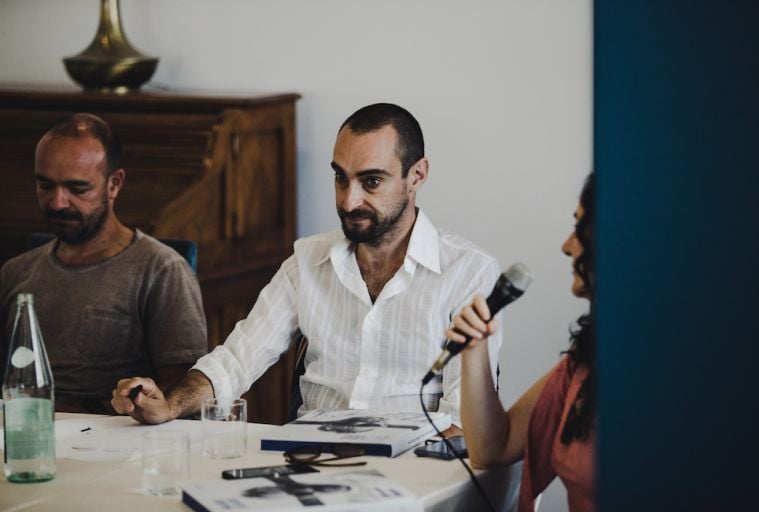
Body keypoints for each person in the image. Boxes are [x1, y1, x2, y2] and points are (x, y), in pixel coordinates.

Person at [112, 103, 502, 433]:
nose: (349, 201)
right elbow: (234, 362)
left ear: (416, 175)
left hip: (413, 475)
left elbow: (464, 421)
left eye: (371, 182)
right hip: (310, 465)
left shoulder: (468, 273)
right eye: (340, 178)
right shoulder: (307, 261)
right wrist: (171, 404)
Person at [0, 113, 208, 414]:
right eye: (45, 186)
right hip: (23, 431)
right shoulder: (15, 272)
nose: (57, 202)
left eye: (77, 189)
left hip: (115, 442)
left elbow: (180, 393)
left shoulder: (162, 270)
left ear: (114, 184)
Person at [446, 173, 595, 512]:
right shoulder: (582, 364)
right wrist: (474, 350)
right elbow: (492, 448)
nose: (567, 245)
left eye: (580, 229)